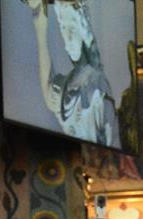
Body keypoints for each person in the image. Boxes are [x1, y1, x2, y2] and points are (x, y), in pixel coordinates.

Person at [28, 0, 120, 147]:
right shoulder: (92, 79)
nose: (67, 39)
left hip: (80, 118)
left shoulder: (93, 79)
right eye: (64, 29)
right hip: (81, 118)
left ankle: (43, 14)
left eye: (68, 29)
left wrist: (40, 24)